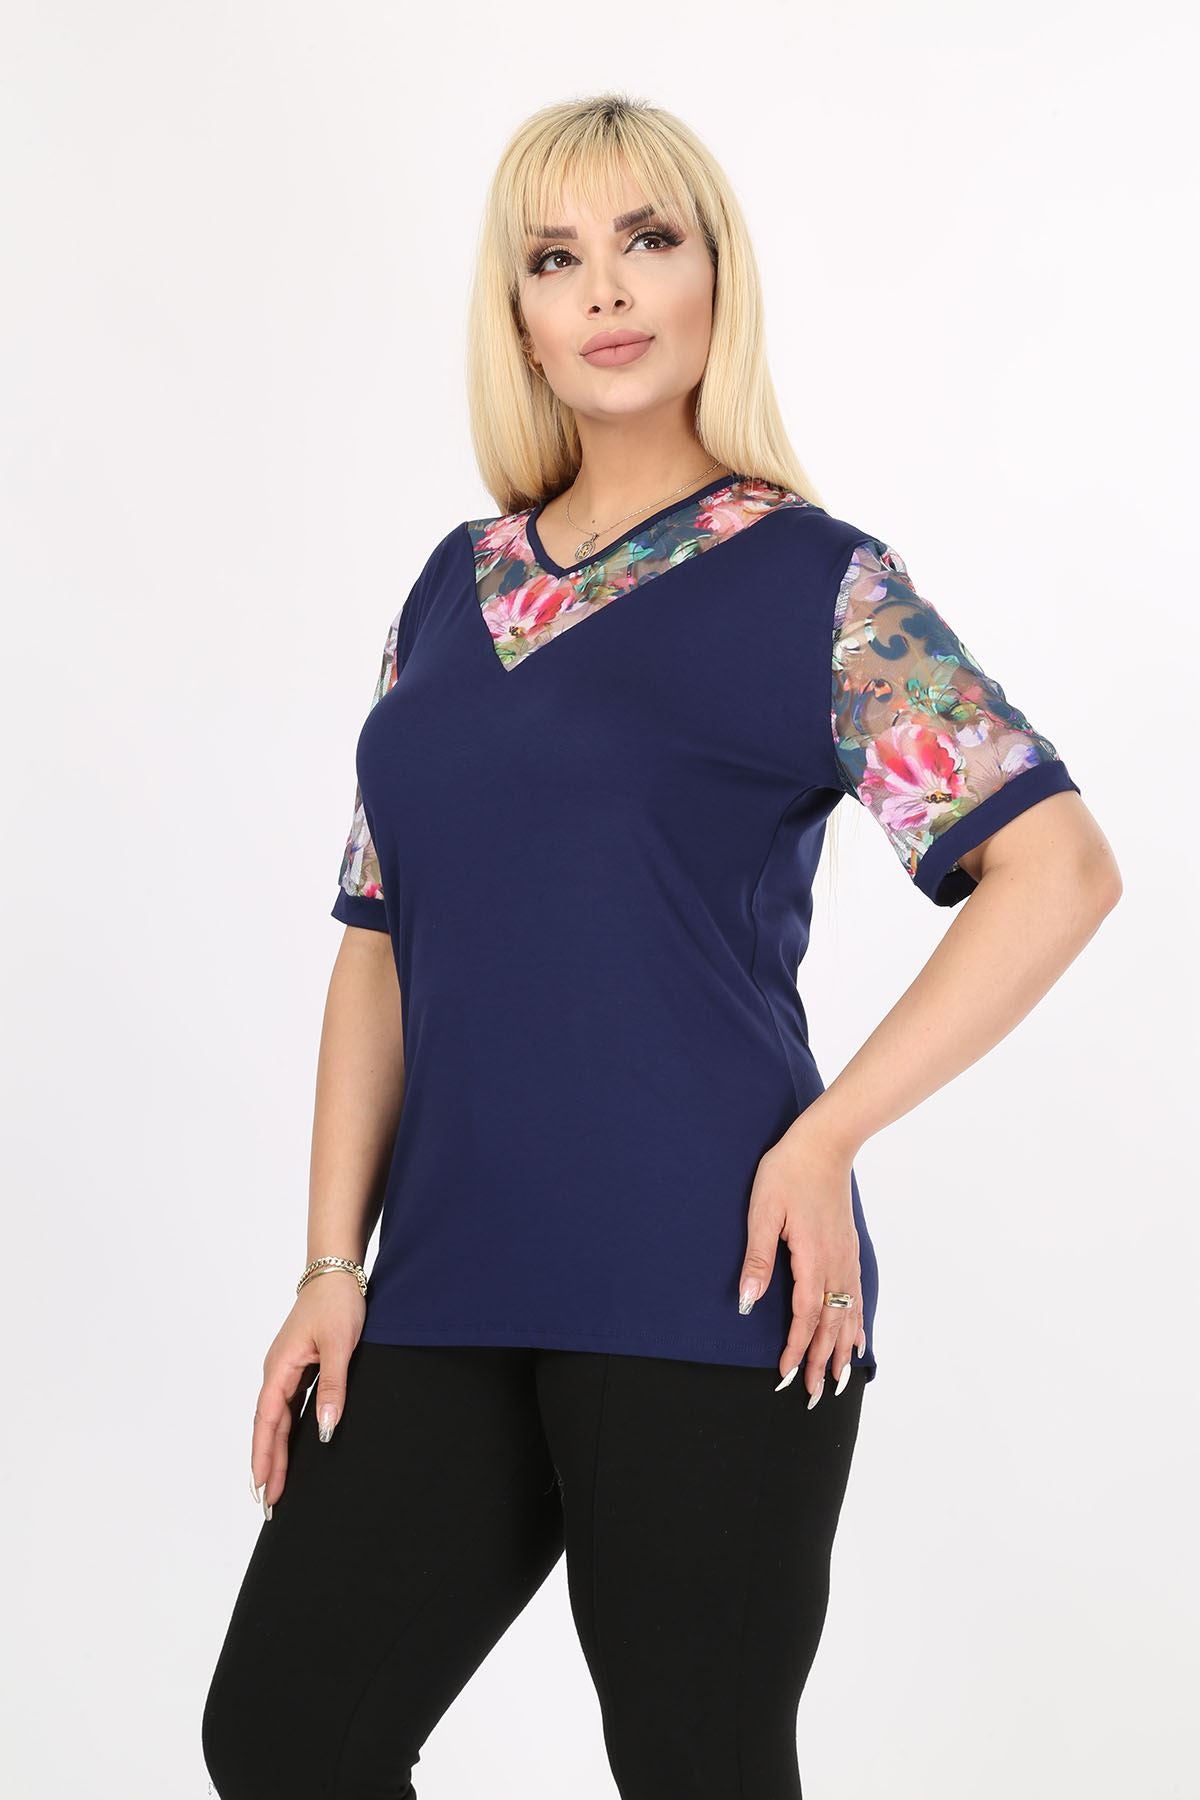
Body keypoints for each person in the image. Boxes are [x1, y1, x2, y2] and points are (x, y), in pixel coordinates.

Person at [201, 92, 1121, 1799]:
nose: (608, 289)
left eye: (649, 240)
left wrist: (827, 1137)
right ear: (520, 320)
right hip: (448, 1280)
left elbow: (1057, 868)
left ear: (716, 277)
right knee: (284, 1737)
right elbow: (377, 937)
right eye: (557, 258)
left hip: (714, 1278)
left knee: (698, 1766)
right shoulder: (449, 590)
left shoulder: (824, 588)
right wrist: (332, 1265)